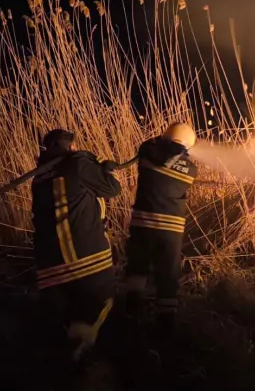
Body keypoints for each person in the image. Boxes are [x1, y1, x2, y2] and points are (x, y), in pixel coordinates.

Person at [30, 128, 123, 366]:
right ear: (70, 147)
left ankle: (56, 352)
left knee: (67, 310)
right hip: (84, 256)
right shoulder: (78, 164)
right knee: (101, 300)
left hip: (48, 263)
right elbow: (112, 189)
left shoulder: (38, 176)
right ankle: (79, 353)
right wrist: (104, 165)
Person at [124, 122, 199, 337]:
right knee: (168, 274)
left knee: (138, 267)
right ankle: (165, 324)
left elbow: (148, 148)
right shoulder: (191, 169)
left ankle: (131, 313)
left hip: (143, 224)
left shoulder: (148, 155)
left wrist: (159, 142)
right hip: (171, 230)